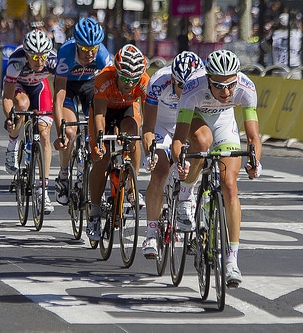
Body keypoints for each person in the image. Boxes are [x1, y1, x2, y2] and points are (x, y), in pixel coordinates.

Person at [171, 50, 262, 287]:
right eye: (219, 86)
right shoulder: (192, 88)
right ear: (207, 79)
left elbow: (253, 137)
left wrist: (255, 163)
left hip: (225, 122)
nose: (226, 92)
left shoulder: (246, 87)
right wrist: (181, 164)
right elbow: (179, 139)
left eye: (230, 85)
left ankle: (231, 260)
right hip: (198, 118)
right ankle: (186, 195)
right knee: (201, 142)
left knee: (230, 185)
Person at [140, 51, 204, 257]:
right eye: (181, 87)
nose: (185, 92)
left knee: (200, 149)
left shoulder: (203, 82)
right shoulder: (159, 81)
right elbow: (148, 127)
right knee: (159, 174)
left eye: (190, 88)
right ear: (173, 80)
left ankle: (188, 195)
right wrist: (150, 152)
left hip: (187, 124)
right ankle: (151, 233)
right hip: (163, 125)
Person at [87, 44, 149, 241]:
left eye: (133, 80)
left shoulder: (145, 82)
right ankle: (94, 213)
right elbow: (99, 114)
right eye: (124, 79)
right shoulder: (103, 78)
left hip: (127, 110)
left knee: (134, 134)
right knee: (102, 159)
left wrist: (150, 142)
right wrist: (98, 143)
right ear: (116, 72)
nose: (129, 84)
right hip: (105, 110)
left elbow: (148, 118)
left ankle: (132, 184)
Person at [53, 17, 112, 206]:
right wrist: (60, 131)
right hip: (68, 86)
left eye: (93, 48)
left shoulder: (102, 55)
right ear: (77, 45)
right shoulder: (66, 52)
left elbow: (108, 92)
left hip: (90, 86)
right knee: (70, 131)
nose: (90, 53)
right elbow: (59, 96)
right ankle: (63, 175)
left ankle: (95, 182)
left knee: (95, 130)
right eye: (85, 48)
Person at [2, 29, 57, 214]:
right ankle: (12, 146)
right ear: (26, 53)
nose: (40, 61)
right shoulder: (16, 62)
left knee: (44, 134)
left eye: (43, 56)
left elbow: (62, 91)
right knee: (22, 106)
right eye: (34, 57)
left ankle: (43, 190)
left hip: (40, 87)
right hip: (19, 87)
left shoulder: (53, 61)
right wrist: (10, 118)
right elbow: (8, 97)